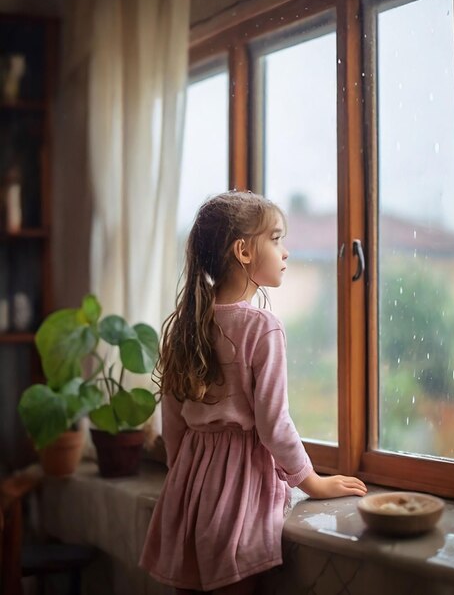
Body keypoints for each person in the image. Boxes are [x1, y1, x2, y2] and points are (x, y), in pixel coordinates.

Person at [139, 190, 367, 595]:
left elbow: (172, 420)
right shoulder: (262, 328)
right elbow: (274, 424)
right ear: (243, 251)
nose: (286, 251)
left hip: (190, 489)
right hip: (238, 495)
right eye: (276, 239)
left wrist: (184, 477)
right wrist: (312, 482)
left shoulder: (186, 325)